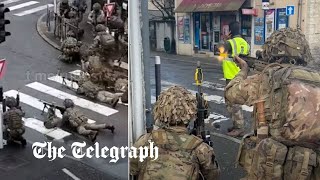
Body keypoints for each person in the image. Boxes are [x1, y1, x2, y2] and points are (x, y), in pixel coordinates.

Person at [225, 28, 319, 179]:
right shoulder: (316, 79)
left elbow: (232, 93)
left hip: (270, 164)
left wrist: (243, 70)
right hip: (308, 167)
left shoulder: (269, 77)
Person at [130, 86, 220, 180]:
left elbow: (133, 169)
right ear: (191, 112)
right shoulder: (200, 148)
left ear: (160, 110)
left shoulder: (144, 141)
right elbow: (213, 176)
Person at [221, 21, 250, 137]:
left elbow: (219, 51)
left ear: (230, 32)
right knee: (234, 102)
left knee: (233, 103)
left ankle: (239, 128)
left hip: (231, 77)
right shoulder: (245, 43)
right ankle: (236, 125)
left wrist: (225, 40)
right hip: (242, 75)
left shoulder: (230, 43)